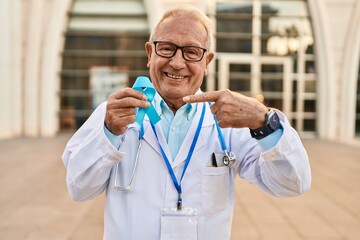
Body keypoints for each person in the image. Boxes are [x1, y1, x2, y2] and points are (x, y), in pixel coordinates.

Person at [62, 5, 311, 240]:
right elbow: (79, 188)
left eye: (191, 52)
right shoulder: (114, 113)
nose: (177, 62)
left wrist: (263, 120)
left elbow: (292, 182)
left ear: (207, 61)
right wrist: (108, 133)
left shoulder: (229, 124)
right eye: (166, 48)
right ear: (150, 53)